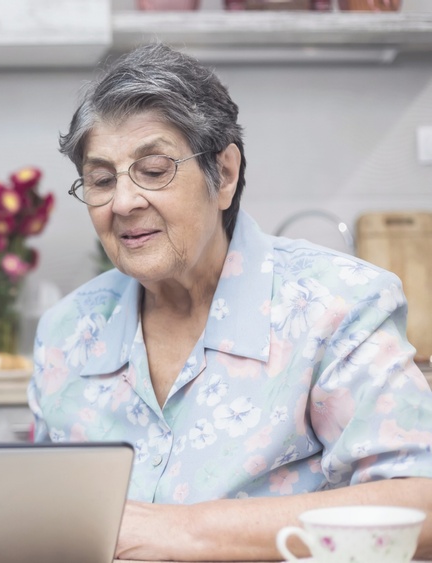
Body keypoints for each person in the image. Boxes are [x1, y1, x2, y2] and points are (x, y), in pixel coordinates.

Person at [30, 42, 432, 561]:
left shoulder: (334, 306)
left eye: (154, 170)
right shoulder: (67, 332)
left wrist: (188, 531)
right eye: (102, 180)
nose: (124, 202)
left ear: (223, 173)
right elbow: (39, 513)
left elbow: (419, 500)